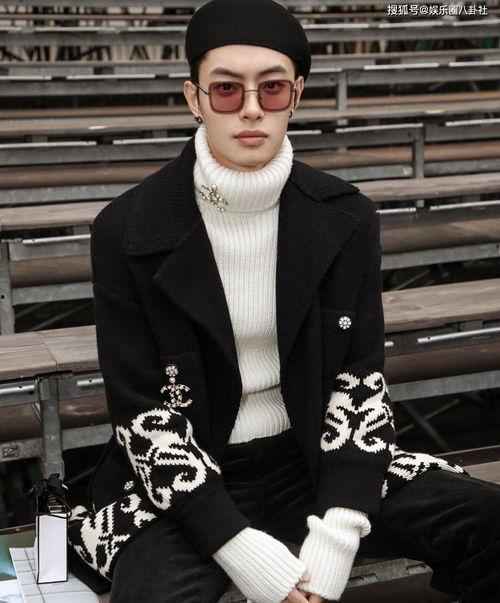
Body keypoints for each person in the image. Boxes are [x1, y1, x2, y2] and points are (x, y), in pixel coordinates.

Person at [67, 1, 500, 601]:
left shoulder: (346, 216)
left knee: (490, 521)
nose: (251, 108)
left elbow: (359, 384)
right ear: (194, 99)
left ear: (295, 96)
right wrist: (239, 549)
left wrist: (337, 535)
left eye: (271, 89)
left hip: (314, 458)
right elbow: (142, 417)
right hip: (188, 477)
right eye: (227, 90)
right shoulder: (126, 229)